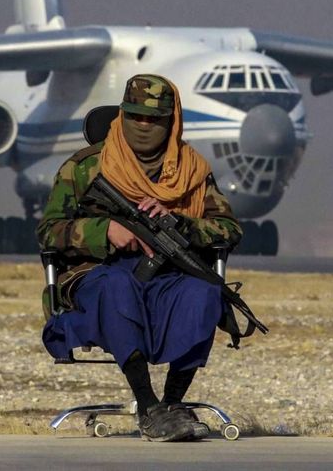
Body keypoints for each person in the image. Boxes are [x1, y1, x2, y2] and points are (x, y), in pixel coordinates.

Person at [37, 73, 242, 442]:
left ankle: (174, 403)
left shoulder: (191, 172)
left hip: (166, 274)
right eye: (135, 116)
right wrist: (105, 232)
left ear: (172, 121)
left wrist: (181, 223)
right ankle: (148, 406)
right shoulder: (84, 167)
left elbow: (228, 228)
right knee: (116, 287)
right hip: (96, 272)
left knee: (203, 292)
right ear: (121, 116)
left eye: (154, 119)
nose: (144, 126)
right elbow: (48, 232)